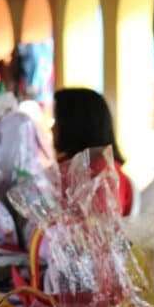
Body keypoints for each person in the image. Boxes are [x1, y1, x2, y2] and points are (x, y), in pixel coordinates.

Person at [52, 87, 134, 216]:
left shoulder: (101, 176)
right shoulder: (76, 168)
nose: (52, 128)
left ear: (75, 125)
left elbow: (95, 229)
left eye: (56, 120)